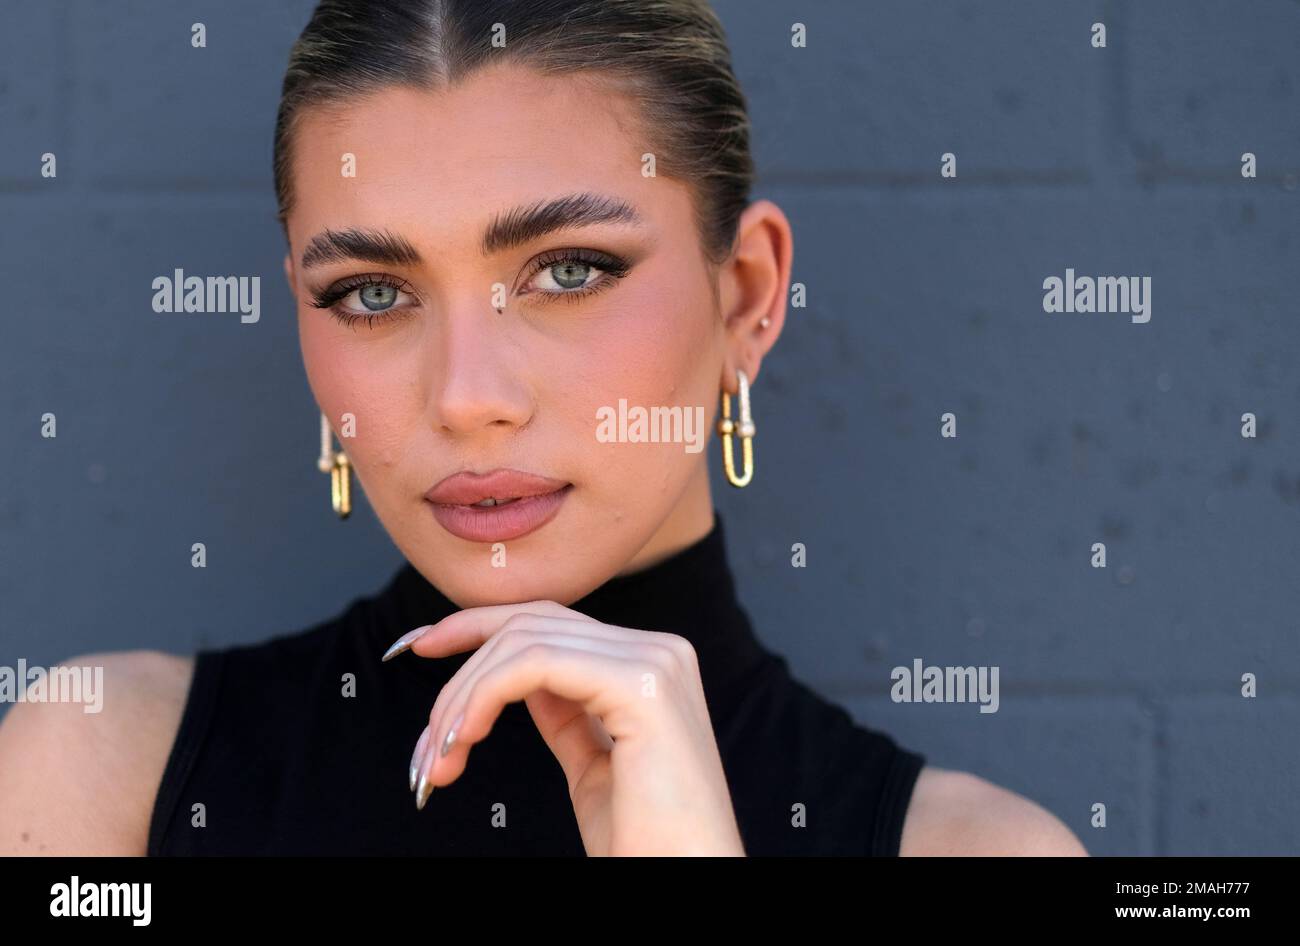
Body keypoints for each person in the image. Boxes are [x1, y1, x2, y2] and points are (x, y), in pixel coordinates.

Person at [0, 0, 1086, 856]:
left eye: (570, 271)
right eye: (371, 293)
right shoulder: (112, 773)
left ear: (747, 294)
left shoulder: (972, 850)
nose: (468, 395)